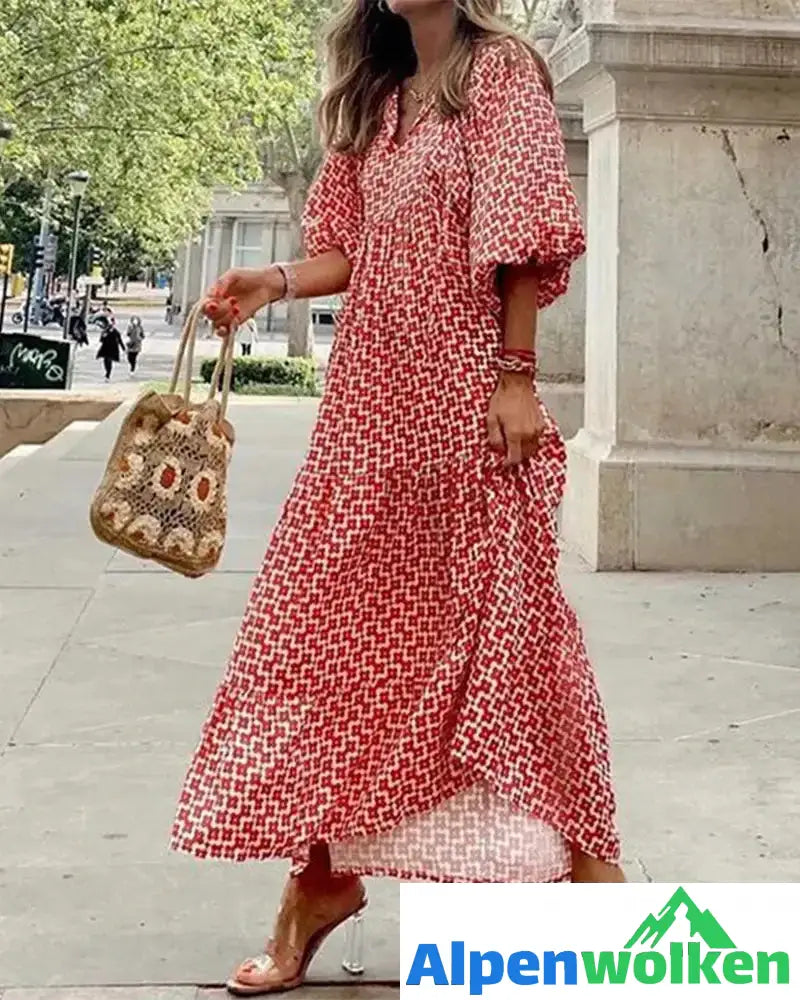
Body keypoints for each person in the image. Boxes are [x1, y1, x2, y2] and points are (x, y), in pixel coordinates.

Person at [172, 0, 623, 994]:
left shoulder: (500, 73)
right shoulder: (373, 94)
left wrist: (513, 375)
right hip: (369, 413)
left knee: (506, 635)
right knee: (338, 639)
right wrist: (271, 281)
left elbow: (517, 241)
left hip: (465, 400)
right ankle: (316, 884)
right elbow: (349, 251)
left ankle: (589, 874)